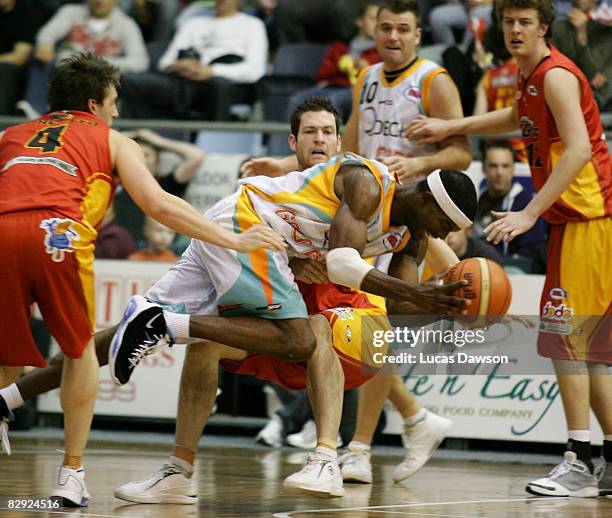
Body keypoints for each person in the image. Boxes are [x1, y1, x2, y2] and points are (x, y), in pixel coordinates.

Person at [0, 98, 476, 501]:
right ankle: (170, 328)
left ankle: (7, 398)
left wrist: (448, 304)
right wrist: (416, 289)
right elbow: (343, 266)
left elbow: (395, 303)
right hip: (248, 226)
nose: (446, 238)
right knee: (299, 338)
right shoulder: (368, 182)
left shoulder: (410, 234)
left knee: (123, 334)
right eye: (446, 224)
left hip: (239, 233)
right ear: (429, 202)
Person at [0, 52, 285, 506]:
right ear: (94, 104)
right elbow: (159, 205)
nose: (117, 111)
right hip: (57, 236)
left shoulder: (11, 134)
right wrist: (232, 241)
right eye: (113, 101)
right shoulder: (112, 139)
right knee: (78, 354)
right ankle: (71, 474)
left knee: (5, 349)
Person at [241, 0, 471, 486]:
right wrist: (286, 167)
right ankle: (395, 429)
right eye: (384, 27)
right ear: (373, 29)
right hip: (363, 208)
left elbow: (459, 156)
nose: (392, 36)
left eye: (402, 29)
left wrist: (421, 166)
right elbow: (345, 148)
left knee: (380, 322)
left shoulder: (434, 80)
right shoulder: (366, 77)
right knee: (365, 326)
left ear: (417, 33)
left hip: (415, 210)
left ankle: (372, 440)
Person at [406, 0, 612, 498]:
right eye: (508, 21)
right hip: (580, 218)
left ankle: (580, 460)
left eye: (525, 22)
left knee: (566, 339)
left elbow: (581, 148)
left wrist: (529, 212)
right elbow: (513, 117)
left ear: (545, 27)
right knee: (592, 351)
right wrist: (451, 129)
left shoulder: (557, 75)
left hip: (587, 215)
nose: (515, 29)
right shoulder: (528, 76)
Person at [120, 0, 268, 120]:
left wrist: (211, 71)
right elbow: (165, 63)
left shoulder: (253, 25)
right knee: (132, 82)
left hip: (226, 84)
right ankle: (138, 138)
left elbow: (255, 69)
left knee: (219, 85)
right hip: (185, 82)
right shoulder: (193, 23)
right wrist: (180, 65)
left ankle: (216, 144)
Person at [286, 0, 381, 123]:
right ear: (360, 21)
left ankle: (332, 141)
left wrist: (367, 70)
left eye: (380, 21)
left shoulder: (381, 50)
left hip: (357, 90)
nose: (377, 24)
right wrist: (339, 67)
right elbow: (321, 75)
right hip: (332, 86)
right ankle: (292, 141)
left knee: (333, 102)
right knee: (297, 99)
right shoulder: (339, 47)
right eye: (373, 19)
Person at [114, 129, 205, 245]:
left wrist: (159, 141)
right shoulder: (116, 183)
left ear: (157, 162)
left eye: (146, 155)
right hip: (122, 251)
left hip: (164, 252)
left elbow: (196, 156)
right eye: (136, 155)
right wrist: (126, 138)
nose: (140, 159)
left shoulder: (166, 185)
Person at [473, 140, 548, 266]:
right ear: (483, 168)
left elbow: (531, 256)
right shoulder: (481, 198)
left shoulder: (526, 204)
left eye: (505, 166)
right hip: (481, 268)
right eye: (493, 166)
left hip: (515, 272)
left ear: (513, 169)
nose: (499, 173)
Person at [551, 0, 612, 111]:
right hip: (562, 96)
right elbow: (551, 68)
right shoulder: (558, 29)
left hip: (597, 105)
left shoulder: (606, 30)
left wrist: (581, 35)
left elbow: (591, 75)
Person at [0, 0, 43, 115]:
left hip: (16, 67)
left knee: (3, 69)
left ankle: (2, 120)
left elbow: (19, 57)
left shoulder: (27, 11)